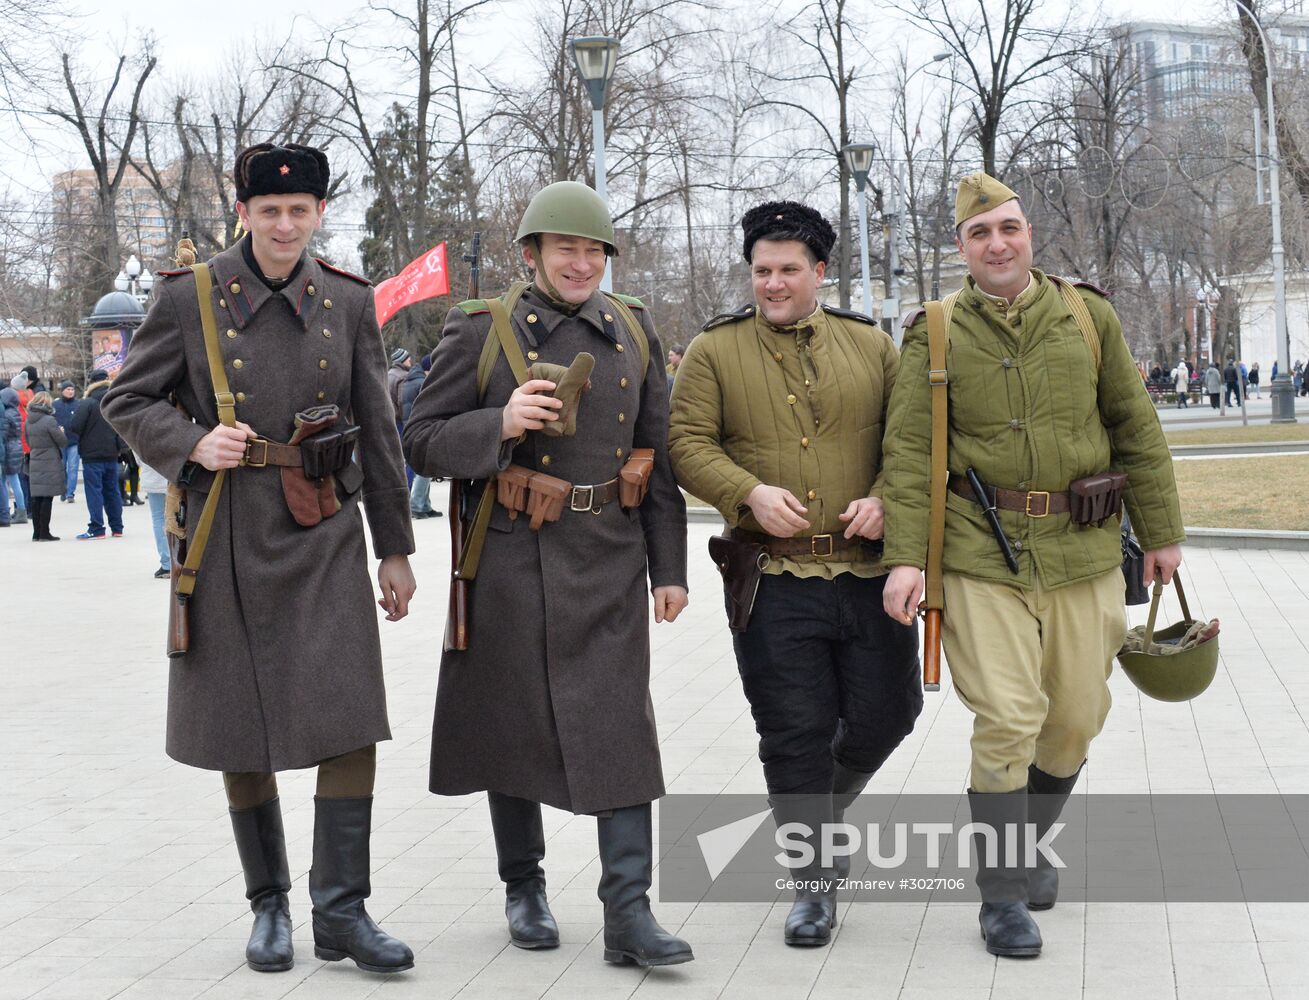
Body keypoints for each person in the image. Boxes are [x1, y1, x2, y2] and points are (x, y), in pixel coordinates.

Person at [102, 142, 417, 977]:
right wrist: (191, 442)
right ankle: (269, 905)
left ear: (319, 214)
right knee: (241, 726)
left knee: (350, 717)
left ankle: (342, 911)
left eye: (298, 211)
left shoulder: (348, 300)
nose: (284, 225)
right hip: (228, 529)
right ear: (242, 213)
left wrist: (394, 547)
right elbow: (125, 398)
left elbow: (380, 435)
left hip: (325, 530)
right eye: (269, 211)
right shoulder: (190, 296)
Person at [880, 173, 1184, 959]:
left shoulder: (1087, 316)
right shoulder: (933, 332)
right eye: (979, 233)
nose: (997, 244)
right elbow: (909, 454)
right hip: (979, 553)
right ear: (960, 247)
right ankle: (1002, 894)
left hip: (1082, 547)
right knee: (1009, 715)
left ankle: (1028, 843)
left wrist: (1161, 533)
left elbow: (1134, 426)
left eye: (1007, 228)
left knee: (1076, 715)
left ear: (1028, 235)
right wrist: (906, 560)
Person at [403, 180, 693, 968]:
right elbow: (419, 440)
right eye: (566, 248)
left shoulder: (632, 328)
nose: (580, 263)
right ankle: (523, 887)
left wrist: (668, 569)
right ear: (531, 254)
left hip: (609, 558)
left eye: (594, 251)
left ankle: (628, 913)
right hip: (510, 557)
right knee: (513, 724)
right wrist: (496, 424)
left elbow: (656, 457)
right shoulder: (481, 329)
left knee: (622, 729)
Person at [669, 200, 922, 947]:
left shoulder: (871, 346)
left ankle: (819, 815)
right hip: (771, 578)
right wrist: (745, 492)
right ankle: (812, 880)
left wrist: (885, 497)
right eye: (761, 271)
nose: (773, 284)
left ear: (819, 271)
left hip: (868, 574)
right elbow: (686, 444)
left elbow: (909, 441)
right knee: (793, 731)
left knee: (889, 714)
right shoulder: (714, 351)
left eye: (787, 270)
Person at [70, 370, 124, 540]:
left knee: (94, 491)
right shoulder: (114, 401)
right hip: (112, 453)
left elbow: (75, 426)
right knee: (112, 490)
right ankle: (117, 527)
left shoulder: (88, 403)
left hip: (91, 455)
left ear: (92, 383)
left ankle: (97, 528)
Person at [23, 391, 66, 541]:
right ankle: (44, 533)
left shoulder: (28, 420)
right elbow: (62, 441)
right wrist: (62, 432)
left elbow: (28, 441)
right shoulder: (49, 420)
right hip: (50, 460)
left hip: (35, 460)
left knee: (37, 498)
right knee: (47, 497)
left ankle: (36, 533)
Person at [405, 354, 440, 519]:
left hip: (411, 425)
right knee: (423, 467)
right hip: (421, 427)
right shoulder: (422, 382)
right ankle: (417, 505)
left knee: (426, 467)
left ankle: (424, 504)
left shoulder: (412, 380)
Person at [138, 455, 172, 578]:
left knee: (158, 519)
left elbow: (138, 457)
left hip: (152, 479)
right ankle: (180, 560)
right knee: (178, 518)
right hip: (172, 476)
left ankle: (167, 564)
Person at [1, 384, 25, 526]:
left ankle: (20, 511)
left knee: (9, 481)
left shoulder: (6, 414)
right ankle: (21, 509)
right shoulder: (15, 411)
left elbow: (3, 434)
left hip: (8, 449)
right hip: (16, 447)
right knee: (14, 480)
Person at [54, 380, 80, 502]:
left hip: (74, 440)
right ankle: (63, 490)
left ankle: (70, 493)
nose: (70, 392)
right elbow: (51, 420)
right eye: (68, 389)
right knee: (61, 467)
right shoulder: (55, 405)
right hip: (60, 441)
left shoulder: (78, 404)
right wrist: (57, 428)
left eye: (72, 389)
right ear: (62, 391)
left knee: (73, 467)